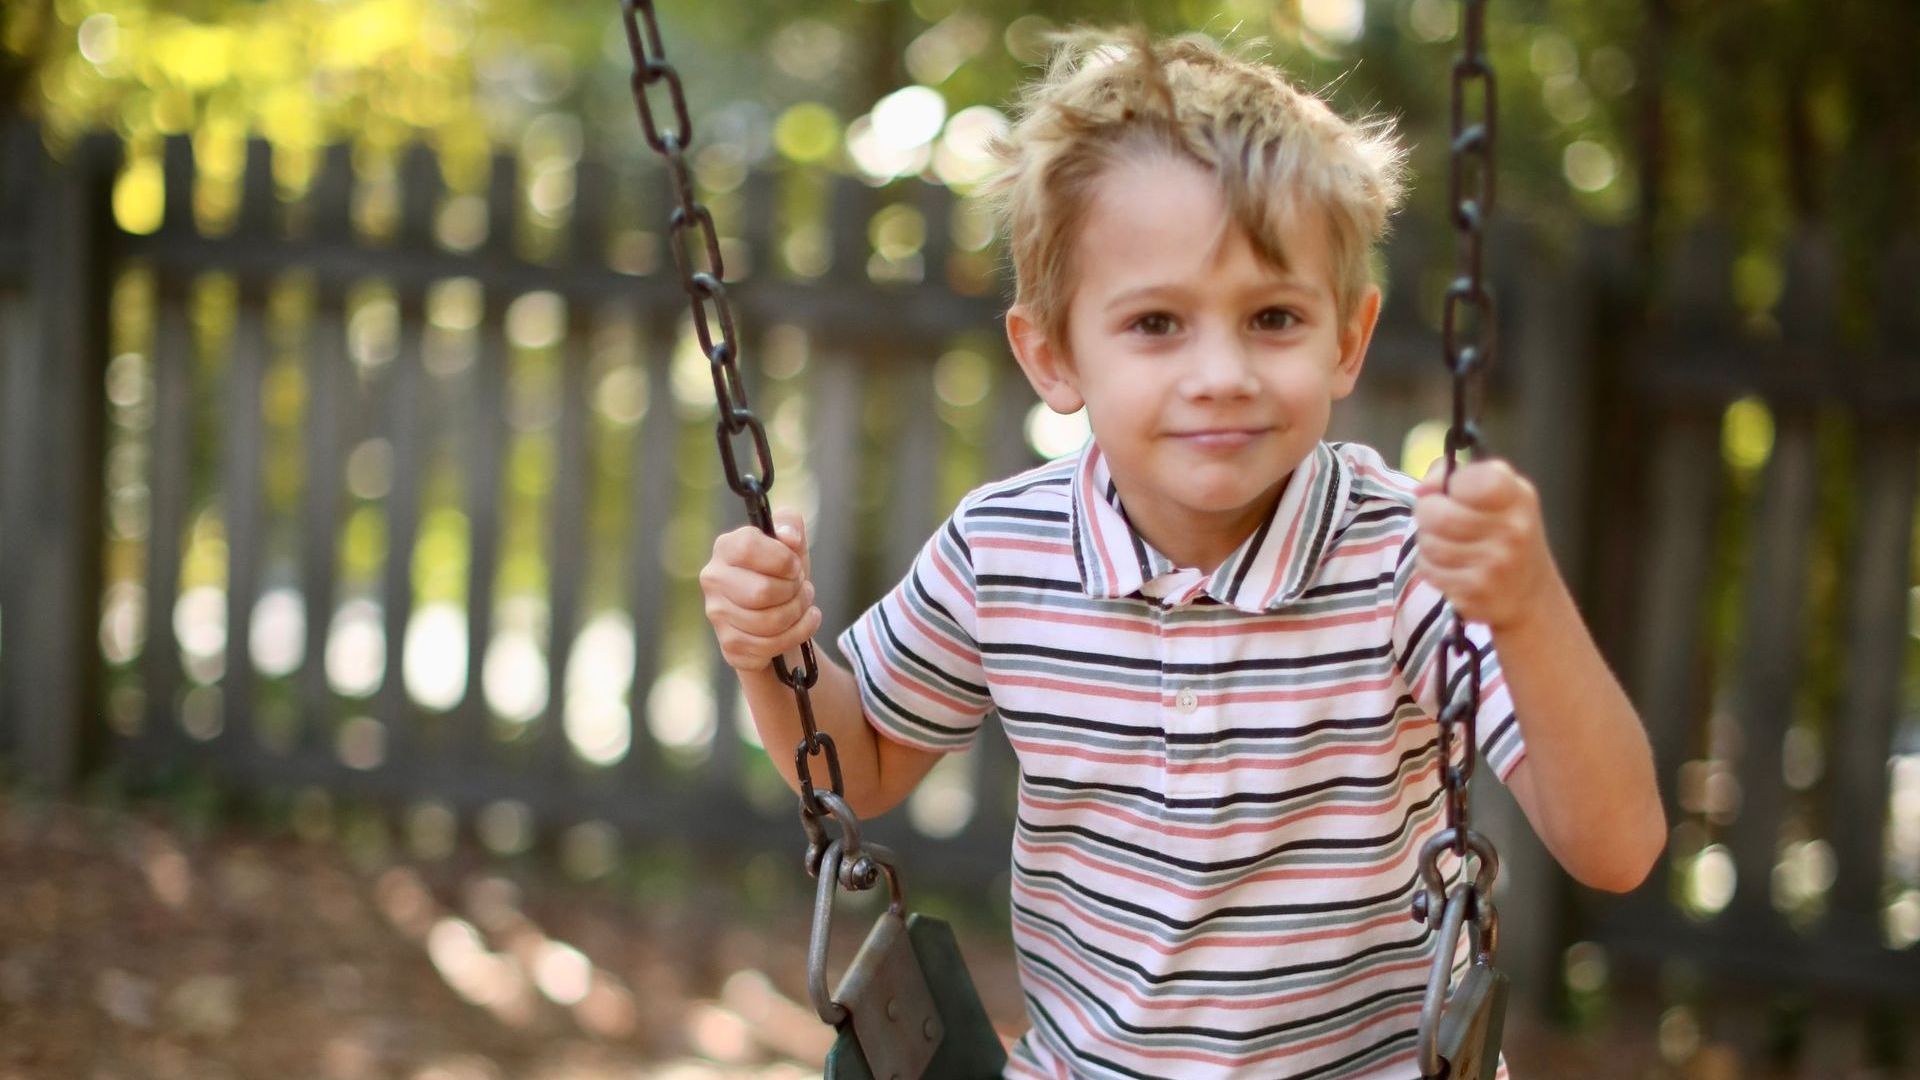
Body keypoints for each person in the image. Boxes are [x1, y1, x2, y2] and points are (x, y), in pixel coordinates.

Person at [700, 27, 1665, 1079]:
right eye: (1158, 322)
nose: (1221, 373)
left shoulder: (1403, 562)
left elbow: (1616, 848)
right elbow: (864, 767)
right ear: (1053, 354)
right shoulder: (1003, 550)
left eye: (1273, 318)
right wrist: (772, 650)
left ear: (1347, 338)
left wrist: (1528, 613)